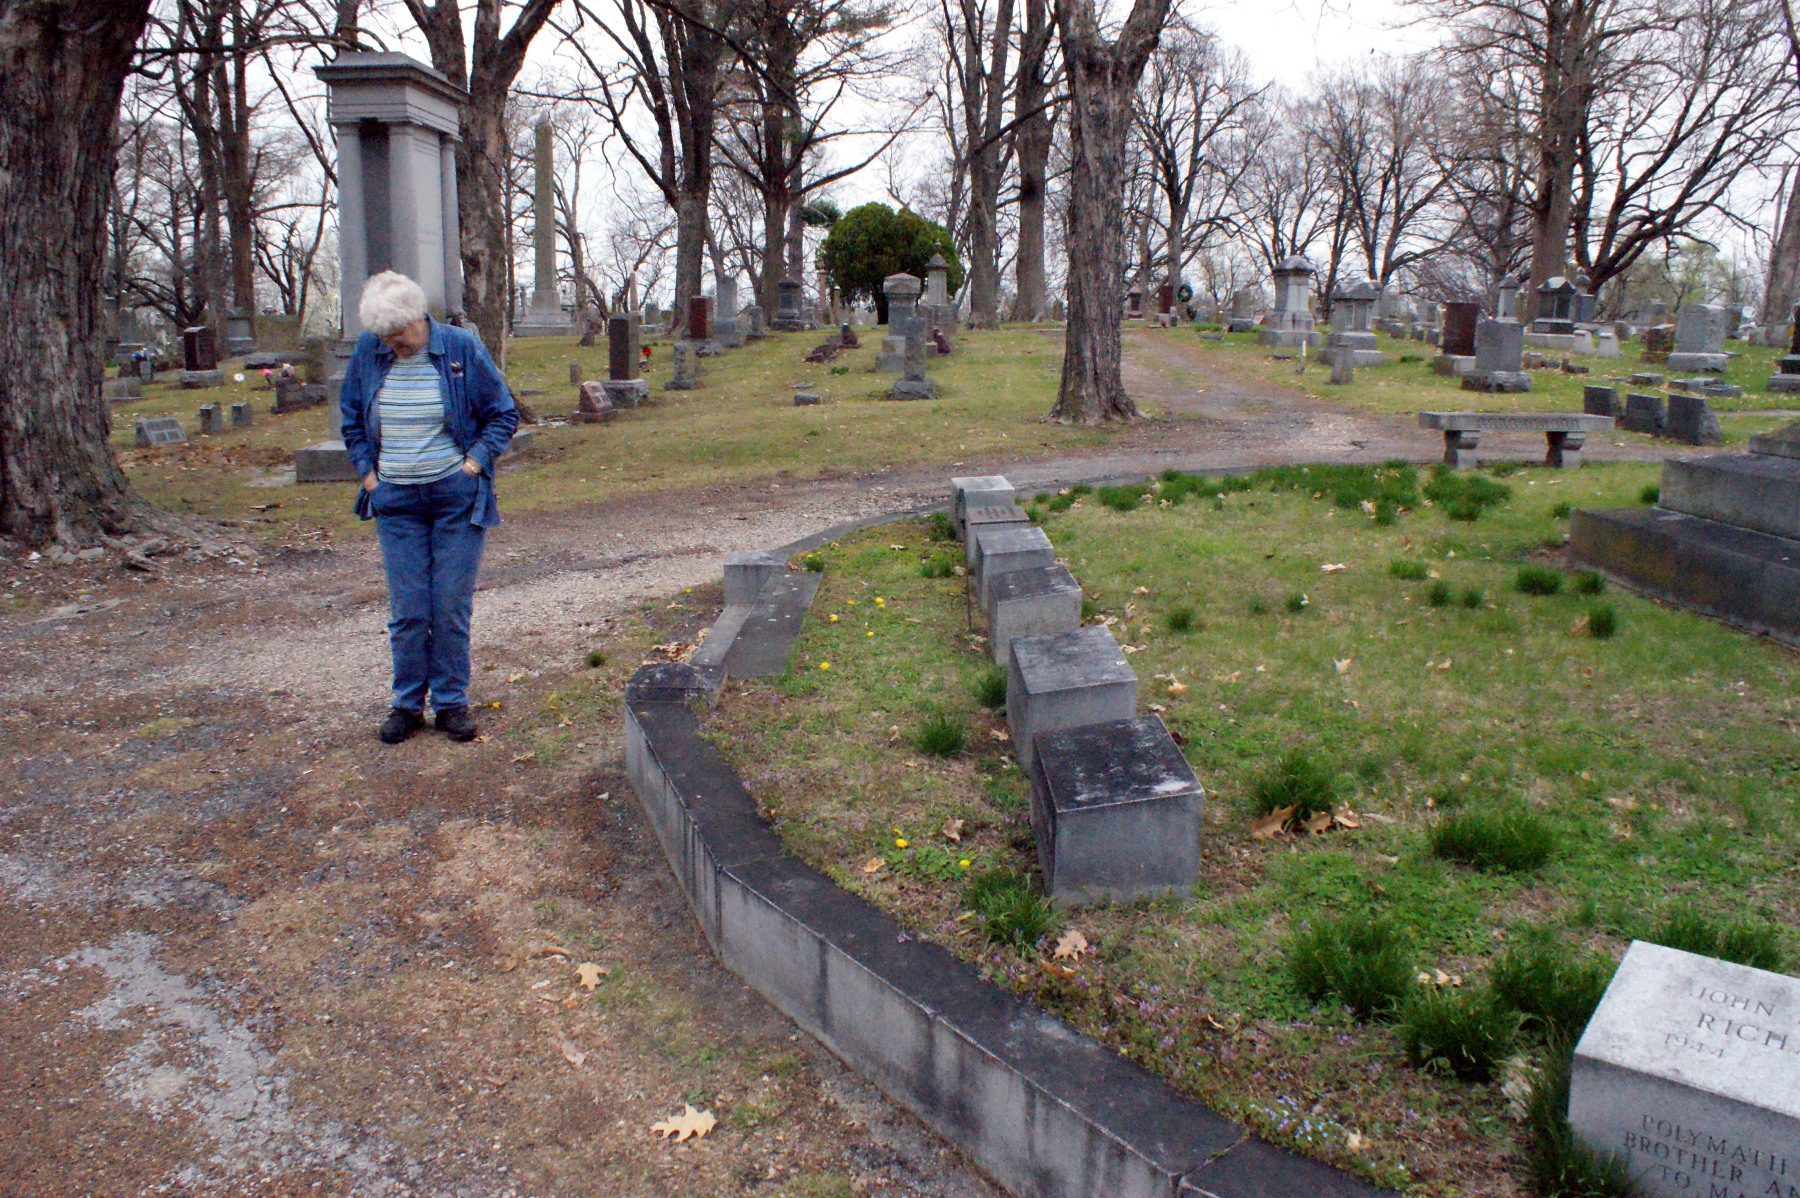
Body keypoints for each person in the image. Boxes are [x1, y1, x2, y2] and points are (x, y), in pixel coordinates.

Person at [339, 271, 518, 744]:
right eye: (384, 336)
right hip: (396, 501)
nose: (392, 344)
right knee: (409, 610)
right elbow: (351, 418)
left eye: (398, 333)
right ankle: (407, 705)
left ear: (418, 318)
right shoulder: (370, 351)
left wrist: (473, 465)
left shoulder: (460, 348)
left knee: (450, 605)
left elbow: (503, 413)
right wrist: (369, 476)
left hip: (454, 497)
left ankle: (451, 702)